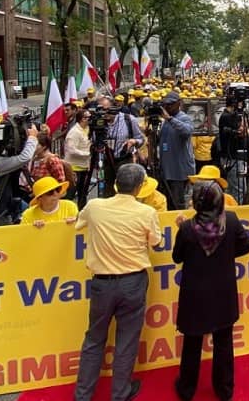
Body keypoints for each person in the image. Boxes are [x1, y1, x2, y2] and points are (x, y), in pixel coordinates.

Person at [73, 163, 162, 401]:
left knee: (94, 339)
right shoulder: (147, 213)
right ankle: (120, 393)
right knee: (127, 340)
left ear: (115, 184)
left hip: (102, 284)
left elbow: (77, 223)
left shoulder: (94, 206)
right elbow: (156, 243)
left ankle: (82, 395)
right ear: (140, 187)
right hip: (133, 283)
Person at [172, 181, 249, 401]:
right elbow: (246, 246)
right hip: (223, 293)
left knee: (192, 343)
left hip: (194, 295)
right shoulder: (231, 220)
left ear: (197, 202)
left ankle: (186, 389)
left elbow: (177, 257)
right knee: (223, 342)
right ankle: (224, 390)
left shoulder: (187, 228)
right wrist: (225, 254)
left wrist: (181, 229)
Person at [159, 91, 196, 210]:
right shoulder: (165, 121)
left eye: (171, 104)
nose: (168, 107)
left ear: (179, 103)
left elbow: (187, 131)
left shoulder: (184, 118)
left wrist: (170, 119)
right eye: (166, 104)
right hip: (167, 170)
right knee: (168, 204)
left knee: (177, 204)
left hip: (179, 171)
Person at [65, 109, 92, 209]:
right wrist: (87, 154)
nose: (90, 119)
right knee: (71, 193)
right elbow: (71, 149)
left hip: (84, 166)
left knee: (83, 193)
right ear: (82, 119)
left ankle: (82, 210)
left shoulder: (89, 129)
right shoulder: (74, 132)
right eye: (88, 117)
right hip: (74, 168)